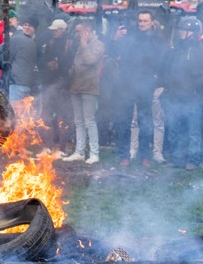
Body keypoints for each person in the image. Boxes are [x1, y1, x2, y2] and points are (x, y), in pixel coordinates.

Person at [161, 17, 203, 169]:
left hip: (193, 96)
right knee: (174, 129)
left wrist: (194, 84)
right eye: (180, 29)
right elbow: (167, 69)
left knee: (193, 131)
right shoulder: (176, 49)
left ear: (192, 32)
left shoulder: (202, 51)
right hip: (174, 96)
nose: (180, 32)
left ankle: (193, 160)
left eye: (184, 30)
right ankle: (176, 159)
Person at [113, 11, 166, 167]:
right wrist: (115, 39)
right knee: (124, 121)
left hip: (146, 86)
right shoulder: (130, 37)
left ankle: (145, 156)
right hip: (127, 85)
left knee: (145, 122)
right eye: (140, 21)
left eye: (145, 21)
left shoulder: (157, 41)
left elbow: (163, 62)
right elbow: (114, 53)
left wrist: (156, 79)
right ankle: (124, 155)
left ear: (152, 22)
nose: (141, 23)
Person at [61, 20, 105, 164]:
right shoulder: (80, 45)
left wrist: (85, 44)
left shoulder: (98, 45)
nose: (77, 34)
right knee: (78, 121)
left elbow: (90, 60)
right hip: (76, 86)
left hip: (89, 88)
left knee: (89, 121)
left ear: (87, 31)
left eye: (79, 31)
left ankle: (94, 153)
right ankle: (79, 152)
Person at [38, 18, 73, 156]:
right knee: (46, 116)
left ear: (62, 30)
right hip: (48, 83)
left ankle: (62, 148)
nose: (53, 32)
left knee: (62, 117)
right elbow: (42, 59)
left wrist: (60, 65)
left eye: (55, 30)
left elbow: (71, 63)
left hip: (63, 86)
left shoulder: (70, 43)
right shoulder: (49, 42)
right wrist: (48, 64)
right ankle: (48, 146)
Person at [1, 16, 39, 103]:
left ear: (35, 29)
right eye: (25, 25)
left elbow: (6, 59)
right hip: (20, 82)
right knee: (19, 108)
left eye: (30, 26)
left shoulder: (31, 41)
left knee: (15, 108)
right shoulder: (19, 39)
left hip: (20, 83)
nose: (27, 27)